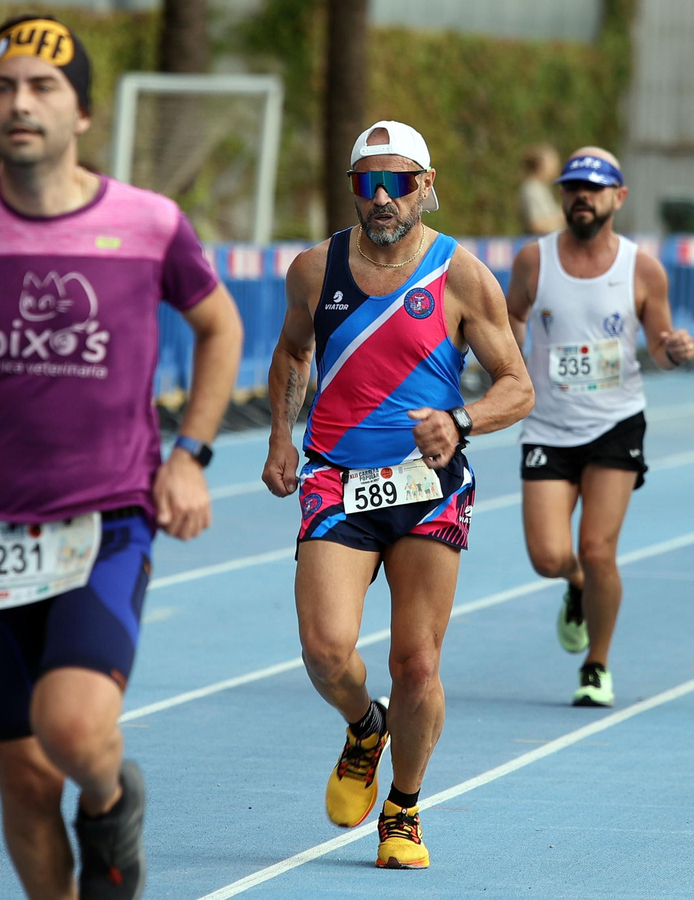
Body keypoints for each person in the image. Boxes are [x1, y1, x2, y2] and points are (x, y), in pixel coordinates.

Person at [0, 16, 242, 898]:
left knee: (71, 729)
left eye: (42, 89)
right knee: (24, 786)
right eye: (3, 88)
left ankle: (111, 800)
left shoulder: (149, 223)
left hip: (104, 520)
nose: (19, 103)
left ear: (83, 114)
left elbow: (219, 326)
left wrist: (189, 455)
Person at [261, 120, 533, 869]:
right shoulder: (314, 271)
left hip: (427, 488)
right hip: (336, 479)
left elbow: (519, 387)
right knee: (324, 651)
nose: (382, 198)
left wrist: (459, 420)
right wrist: (282, 440)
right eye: (367, 183)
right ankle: (363, 728)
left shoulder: (462, 275)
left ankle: (404, 808)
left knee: (416, 664)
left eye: (398, 182)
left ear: (427, 184)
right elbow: (292, 351)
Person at [505, 147, 694, 707]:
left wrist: (675, 348)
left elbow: (660, 345)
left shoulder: (641, 267)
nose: (580, 196)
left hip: (615, 424)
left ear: (618, 197)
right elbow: (511, 316)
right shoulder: (533, 261)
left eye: (593, 188)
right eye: (571, 188)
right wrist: (507, 350)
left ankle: (597, 663)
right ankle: (577, 587)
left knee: (598, 548)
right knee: (548, 556)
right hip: (547, 425)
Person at [519, 143, 563, 236]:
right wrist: (562, 216)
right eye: (552, 162)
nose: (556, 167)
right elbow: (535, 225)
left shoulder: (541, 188)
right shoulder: (531, 189)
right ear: (541, 164)